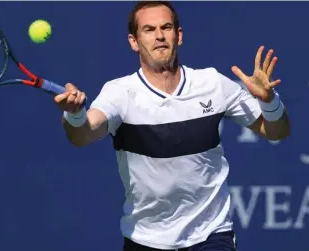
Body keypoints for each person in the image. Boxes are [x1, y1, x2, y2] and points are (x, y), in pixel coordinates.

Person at [54, 1, 290, 250]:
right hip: (145, 239)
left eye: (166, 28)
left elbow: (278, 130)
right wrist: (75, 114)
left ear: (178, 36)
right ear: (134, 42)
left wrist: (269, 101)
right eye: (148, 29)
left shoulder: (212, 83)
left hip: (211, 234)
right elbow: (82, 135)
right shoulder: (119, 93)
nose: (159, 36)